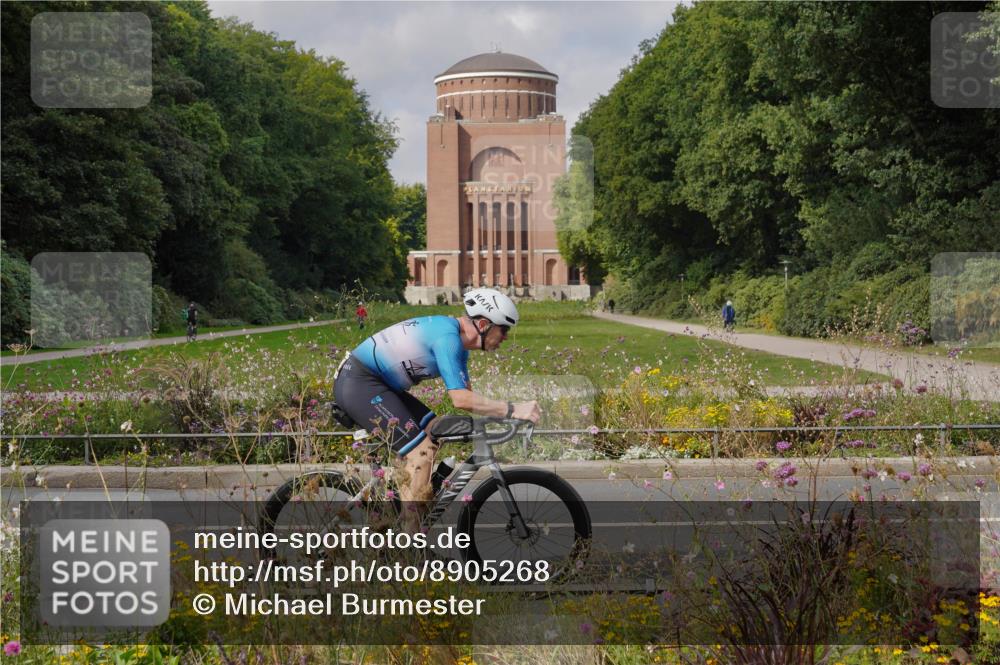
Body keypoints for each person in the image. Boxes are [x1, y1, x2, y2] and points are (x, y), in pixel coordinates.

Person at [333, 288, 540, 530]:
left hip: (377, 385)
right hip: (360, 382)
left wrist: (498, 417)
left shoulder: (458, 344)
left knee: (434, 432)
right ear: (484, 324)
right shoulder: (448, 339)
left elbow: (470, 398)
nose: (505, 337)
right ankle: (407, 542)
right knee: (421, 451)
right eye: (504, 329)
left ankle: (407, 505)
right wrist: (513, 409)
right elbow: (461, 399)